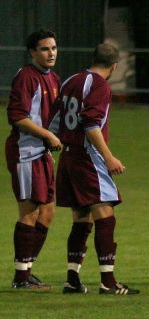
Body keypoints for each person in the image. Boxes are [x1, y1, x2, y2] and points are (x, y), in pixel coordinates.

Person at [50, 43, 139, 295]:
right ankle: (107, 282)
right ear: (114, 66)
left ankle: (72, 279)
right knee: (105, 215)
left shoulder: (71, 80)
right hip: (87, 157)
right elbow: (91, 125)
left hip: (68, 156)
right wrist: (108, 157)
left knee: (81, 218)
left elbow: (55, 119)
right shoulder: (100, 85)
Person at [6, 29, 62, 289]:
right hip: (26, 153)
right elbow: (18, 116)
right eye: (44, 49)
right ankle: (21, 277)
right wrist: (47, 135)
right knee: (29, 213)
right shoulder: (26, 77)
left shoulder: (54, 79)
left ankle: (27, 268)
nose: (51, 53)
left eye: (53, 48)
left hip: (42, 153)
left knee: (47, 212)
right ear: (32, 52)